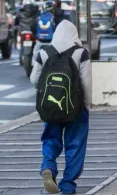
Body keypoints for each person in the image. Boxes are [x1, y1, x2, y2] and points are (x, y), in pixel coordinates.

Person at [30, 20, 91, 195]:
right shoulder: (81, 53)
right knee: (75, 144)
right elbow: (86, 83)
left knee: (50, 138)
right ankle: (68, 184)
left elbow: (34, 80)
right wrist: (86, 107)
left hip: (50, 106)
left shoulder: (44, 52)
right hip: (75, 107)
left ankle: (48, 166)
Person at [15, 0, 40, 65]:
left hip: (23, 32)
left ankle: (20, 58)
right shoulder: (37, 11)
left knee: (21, 44)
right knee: (38, 44)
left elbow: (16, 23)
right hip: (33, 32)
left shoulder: (20, 12)